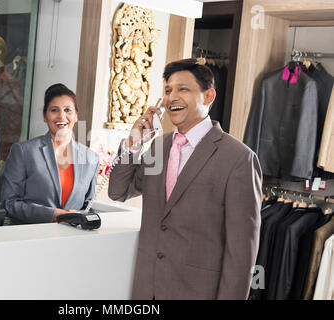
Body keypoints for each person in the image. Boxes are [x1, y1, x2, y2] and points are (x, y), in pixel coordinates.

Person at [108, 58, 262, 299]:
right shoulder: (158, 147)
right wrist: (133, 145)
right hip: (147, 291)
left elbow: (241, 254)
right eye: (168, 90)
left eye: (183, 89)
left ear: (208, 97)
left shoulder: (239, 159)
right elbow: (118, 191)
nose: (172, 98)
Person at [0, 83, 99, 224]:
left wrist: (78, 216)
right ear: (45, 116)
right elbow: (9, 203)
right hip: (32, 238)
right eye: (54, 110)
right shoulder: (23, 152)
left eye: (68, 110)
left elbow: (89, 205)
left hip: (73, 240)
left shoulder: (91, 158)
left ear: (76, 116)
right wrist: (53, 215)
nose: (61, 116)